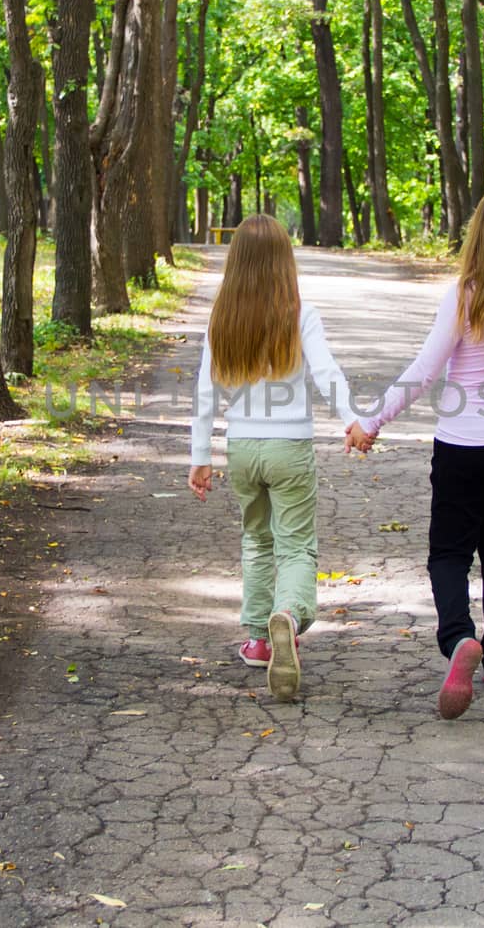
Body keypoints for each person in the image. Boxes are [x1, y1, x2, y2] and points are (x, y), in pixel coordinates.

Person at [352, 187, 484, 719]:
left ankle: (459, 638)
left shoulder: (464, 295)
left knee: (448, 553)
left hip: (464, 443)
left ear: (479, 237)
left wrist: (370, 422)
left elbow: (425, 372)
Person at [188, 215, 361, 702]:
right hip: (289, 447)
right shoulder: (299, 311)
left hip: (242, 449)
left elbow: (205, 394)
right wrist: (351, 419)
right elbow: (327, 372)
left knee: (257, 541)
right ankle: (289, 613)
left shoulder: (222, 317)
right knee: (297, 545)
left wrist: (201, 457)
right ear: (286, 260)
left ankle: (260, 640)